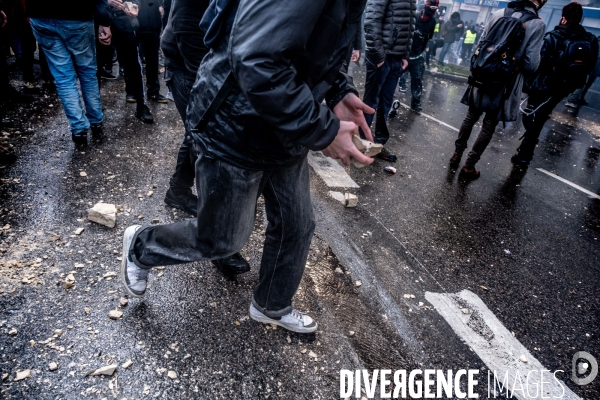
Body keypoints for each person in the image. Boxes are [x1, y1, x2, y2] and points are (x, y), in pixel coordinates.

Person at [120, 0, 377, 334]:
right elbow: (257, 58)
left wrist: (339, 91)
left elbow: (311, 48)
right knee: (222, 239)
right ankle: (143, 246)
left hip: (285, 128)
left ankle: (271, 304)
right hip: (236, 125)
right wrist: (322, 130)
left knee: (295, 225)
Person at [160, 0, 250, 275]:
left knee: (196, 136)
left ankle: (177, 190)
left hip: (211, 64)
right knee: (208, 143)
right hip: (190, 67)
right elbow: (188, 31)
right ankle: (218, 242)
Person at [450, 0, 546, 179]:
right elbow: (531, 64)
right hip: (505, 82)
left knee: (471, 116)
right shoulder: (537, 24)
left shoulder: (499, 13)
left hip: (483, 73)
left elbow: (480, 44)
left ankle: (456, 155)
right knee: (488, 124)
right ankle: (469, 166)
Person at [511, 2, 598, 167]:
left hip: (546, 83)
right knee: (542, 114)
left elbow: (540, 62)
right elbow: (591, 66)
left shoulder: (554, 36)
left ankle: (524, 155)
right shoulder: (589, 39)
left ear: (563, 18)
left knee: (532, 115)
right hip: (567, 86)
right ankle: (525, 151)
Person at [26, 0, 110, 143]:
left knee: (63, 76)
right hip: (77, 15)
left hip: (41, 15)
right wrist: (104, 21)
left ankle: (79, 130)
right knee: (87, 71)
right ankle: (96, 121)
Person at [362, 0, 416, 162]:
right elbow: (371, 21)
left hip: (396, 58)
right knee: (371, 102)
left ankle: (378, 144)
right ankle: (363, 143)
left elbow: (409, 26)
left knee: (385, 103)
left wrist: (405, 55)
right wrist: (379, 56)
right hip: (381, 56)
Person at [107, 0, 154, 123]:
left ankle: (141, 105)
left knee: (134, 63)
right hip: (98, 19)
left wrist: (133, 4)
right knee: (94, 68)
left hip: (124, 20)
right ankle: (94, 113)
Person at [396, 0, 438, 113]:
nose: (432, 11)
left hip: (418, 55)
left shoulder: (433, 20)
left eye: (435, 9)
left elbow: (429, 37)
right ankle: (386, 99)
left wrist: (424, 49)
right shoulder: (414, 16)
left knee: (417, 80)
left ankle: (415, 103)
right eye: (431, 7)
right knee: (393, 76)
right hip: (405, 54)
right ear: (426, 6)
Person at [137, 0, 167, 103]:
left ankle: (153, 91)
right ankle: (132, 91)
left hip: (153, 21)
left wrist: (161, 5)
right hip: (135, 20)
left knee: (153, 59)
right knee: (133, 59)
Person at [566, 34, 600, 109]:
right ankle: (572, 100)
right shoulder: (596, 42)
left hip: (592, 67)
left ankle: (578, 98)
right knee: (583, 84)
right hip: (592, 67)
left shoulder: (595, 40)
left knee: (586, 84)